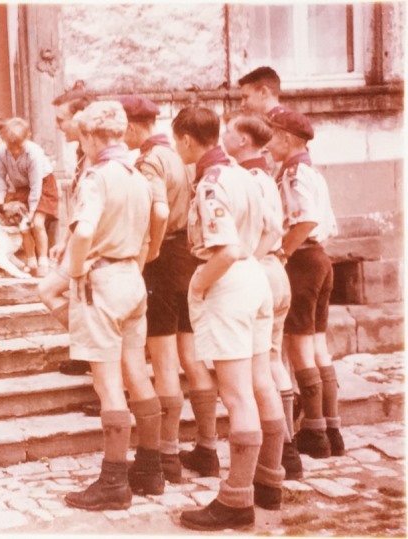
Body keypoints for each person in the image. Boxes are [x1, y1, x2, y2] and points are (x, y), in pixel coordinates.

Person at [172, 106, 283, 531]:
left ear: (186, 140)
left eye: (178, 141)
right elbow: (270, 230)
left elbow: (226, 250)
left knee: (236, 396)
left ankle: (236, 500)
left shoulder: (212, 183)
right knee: (262, 382)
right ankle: (269, 481)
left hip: (227, 280)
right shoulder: (244, 173)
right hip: (255, 275)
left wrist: (199, 285)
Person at [62, 100, 166, 511]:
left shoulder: (97, 176)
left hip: (101, 280)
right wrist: (138, 263)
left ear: (90, 137)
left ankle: (113, 481)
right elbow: (153, 229)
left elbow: (83, 231)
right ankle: (151, 468)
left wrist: (74, 269)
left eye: (82, 137)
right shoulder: (137, 175)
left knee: (107, 385)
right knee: (137, 373)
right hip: (131, 278)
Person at [120, 95, 199, 486]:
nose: (123, 137)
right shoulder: (178, 156)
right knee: (187, 357)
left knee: (165, 361)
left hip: (164, 259)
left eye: (124, 130)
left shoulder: (150, 160)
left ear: (133, 126)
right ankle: (196, 448)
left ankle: (167, 456)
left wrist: (149, 251)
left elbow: (159, 210)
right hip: (185, 258)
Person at [222, 113, 304, 480]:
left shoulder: (251, 178)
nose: (224, 135)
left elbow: (272, 229)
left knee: (266, 365)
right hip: (273, 270)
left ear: (243, 140)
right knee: (272, 362)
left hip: (262, 270)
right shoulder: (265, 176)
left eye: (229, 130)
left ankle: (284, 451)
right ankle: (287, 451)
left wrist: (250, 261)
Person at [266, 107, 344, 459]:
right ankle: (331, 428)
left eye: (271, 136)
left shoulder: (292, 173)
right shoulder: (312, 172)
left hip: (302, 260)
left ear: (285, 138)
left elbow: (306, 219)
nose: (268, 144)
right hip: (321, 260)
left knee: (299, 349)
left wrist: (283, 252)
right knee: (317, 346)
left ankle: (314, 431)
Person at [40, 85, 96, 377]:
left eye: (62, 119)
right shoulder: (82, 152)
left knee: (50, 290)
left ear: (81, 118)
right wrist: (64, 240)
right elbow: (78, 207)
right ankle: (86, 350)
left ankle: (91, 351)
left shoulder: (98, 156)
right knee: (70, 297)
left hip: (92, 245)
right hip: (78, 239)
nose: (58, 126)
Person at [0, 117, 59, 278]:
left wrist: (32, 212)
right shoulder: (1, 152)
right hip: (23, 188)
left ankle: (43, 261)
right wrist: (0, 202)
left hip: (43, 186)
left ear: (27, 138)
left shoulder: (34, 153)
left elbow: (36, 186)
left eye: (19, 147)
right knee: (23, 226)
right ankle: (31, 261)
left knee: (36, 223)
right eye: (11, 147)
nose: (15, 151)